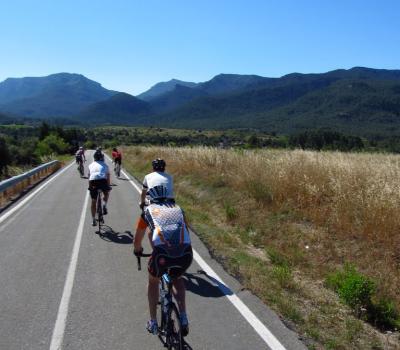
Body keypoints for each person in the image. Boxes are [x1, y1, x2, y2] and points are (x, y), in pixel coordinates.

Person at [133, 184, 192, 337]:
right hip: (185, 253)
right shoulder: (179, 209)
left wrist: (137, 250)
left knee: (153, 281)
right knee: (177, 278)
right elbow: (187, 229)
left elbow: (137, 239)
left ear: (150, 200)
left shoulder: (147, 211)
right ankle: (184, 317)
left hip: (162, 256)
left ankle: (153, 322)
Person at [88, 149, 111, 226]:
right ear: (102, 158)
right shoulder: (105, 165)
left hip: (93, 182)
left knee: (93, 201)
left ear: (94, 158)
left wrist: (90, 187)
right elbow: (108, 176)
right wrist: (108, 186)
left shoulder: (90, 165)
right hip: (102, 181)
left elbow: (89, 176)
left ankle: (93, 220)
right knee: (106, 193)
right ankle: (104, 205)